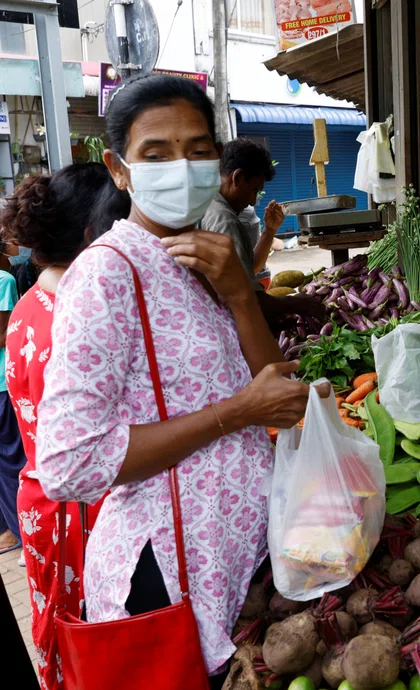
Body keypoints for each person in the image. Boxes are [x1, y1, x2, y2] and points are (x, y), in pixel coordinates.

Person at [35, 75, 314, 689]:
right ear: (119, 169)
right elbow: (68, 463)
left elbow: (276, 393)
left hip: (237, 559)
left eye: (197, 150)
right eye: (155, 154)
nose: (180, 168)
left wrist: (242, 295)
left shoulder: (204, 257)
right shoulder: (106, 276)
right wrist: (235, 412)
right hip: (165, 574)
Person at [1, 162, 130, 689]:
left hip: (43, 508)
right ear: (90, 234)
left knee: (72, 647)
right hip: (85, 515)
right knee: (108, 647)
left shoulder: (29, 305)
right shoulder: (80, 317)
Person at [201, 138, 325, 328]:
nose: (253, 201)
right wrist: (299, 302)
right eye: (254, 190)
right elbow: (251, 302)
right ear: (238, 178)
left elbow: (249, 269)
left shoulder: (212, 205)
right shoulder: (224, 220)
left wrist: (269, 231)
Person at [0, 258, 24, 560]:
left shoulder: (4, 280)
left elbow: (4, 333)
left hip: (4, 386)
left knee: (12, 463)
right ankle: (11, 529)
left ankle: (22, 532)